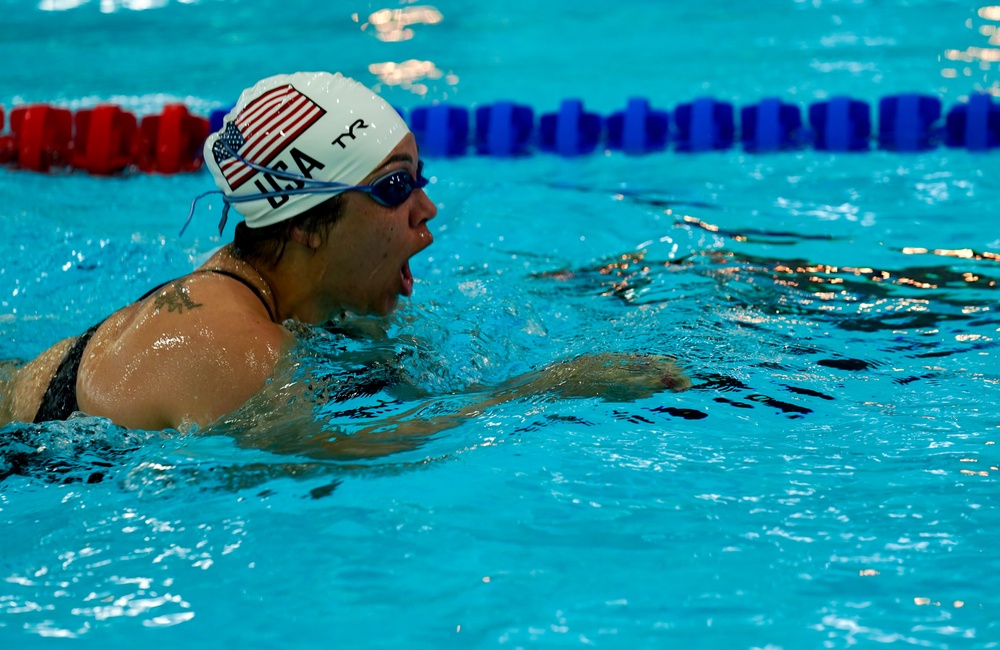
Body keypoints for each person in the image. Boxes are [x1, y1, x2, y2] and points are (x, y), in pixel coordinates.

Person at [0, 71, 690, 450]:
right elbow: (342, 464)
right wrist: (549, 388)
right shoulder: (233, 349)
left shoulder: (304, 300)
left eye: (421, 177)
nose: (427, 210)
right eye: (394, 188)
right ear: (305, 225)